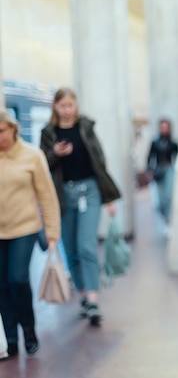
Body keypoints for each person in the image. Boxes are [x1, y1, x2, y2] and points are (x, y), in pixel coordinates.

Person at [40, 88, 121, 327]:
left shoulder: (86, 127)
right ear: (55, 107)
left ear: (75, 106)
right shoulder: (48, 132)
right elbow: (42, 163)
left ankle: (93, 299)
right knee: (71, 248)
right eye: (62, 105)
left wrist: (109, 199)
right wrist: (55, 153)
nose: (66, 110)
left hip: (90, 190)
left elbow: (100, 161)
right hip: (63, 195)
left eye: (70, 105)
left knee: (87, 245)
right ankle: (84, 294)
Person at [0, 110, 60, 359]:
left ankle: (29, 330)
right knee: (1, 285)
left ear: (13, 128)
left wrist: (52, 231)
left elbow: (47, 195)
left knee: (17, 279)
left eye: (1, 131)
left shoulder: (32, 156)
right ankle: (10, 338)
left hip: (25, 228)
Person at [146, 118, 178, 224]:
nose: (164, 130)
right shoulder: (155, 143)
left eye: (166, 127)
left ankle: (169, 218)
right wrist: (150, 171)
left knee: (168, 195)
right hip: (158, 171)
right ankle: (164, 216)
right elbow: (150, 158)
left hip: (169, 169)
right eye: (162, 127)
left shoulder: (173, 144)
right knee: (159, 200)